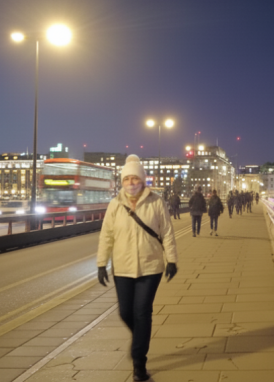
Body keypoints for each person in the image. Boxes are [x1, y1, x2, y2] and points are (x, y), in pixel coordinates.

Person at [96, 155, 178, 382]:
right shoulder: (115, 205)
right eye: (127, 179)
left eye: (135, 178)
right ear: (122, 182)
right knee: (125, 312)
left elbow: (168, 232)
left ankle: (139, 363)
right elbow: (107, 236)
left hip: (151, 266)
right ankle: (140, 338)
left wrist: (171, 259)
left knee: (142, 311)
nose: (131, 183)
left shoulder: (156, 202)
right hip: (122, 267)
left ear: (143, 180)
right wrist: (101, 264)